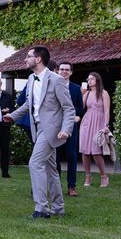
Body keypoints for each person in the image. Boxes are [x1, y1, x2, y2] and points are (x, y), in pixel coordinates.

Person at [4, 46, 75, 218]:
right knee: (51, 170)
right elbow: (29, 105)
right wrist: (12, 116)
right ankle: (58, 208)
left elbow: (69, 109)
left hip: (51, 130)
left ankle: (41, 209)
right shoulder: (31, 78)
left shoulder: (57, 80)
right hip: (37, 128)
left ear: (38, 59)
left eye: (28, 56)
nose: (25, 59)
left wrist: (66, 130)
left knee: (35, 164)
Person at [55, 62, 83, 196]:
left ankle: (72, 186)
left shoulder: (76, 89)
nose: (64, 72)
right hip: (55, 127)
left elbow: (80, 108)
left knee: (72, 157)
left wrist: (73, 115)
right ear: (57, 71)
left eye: (67, 70)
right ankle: (56, 186)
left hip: (71, 127)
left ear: (71, 72)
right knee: (56, 157)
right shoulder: (52, 86)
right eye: (61, 69)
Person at [79, 72, 111, 187]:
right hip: (87, 121)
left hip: (99, 121)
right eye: (88, 79)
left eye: (91, 79)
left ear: (97, 80)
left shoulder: (103, 93)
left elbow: (107, 110)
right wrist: (81, 95)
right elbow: (81, 107)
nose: (89, 81)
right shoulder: (86, 93)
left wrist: (106, 125)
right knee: (84, 151)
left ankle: (103, 176)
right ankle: (88, 176)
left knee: (96, 151)